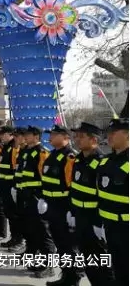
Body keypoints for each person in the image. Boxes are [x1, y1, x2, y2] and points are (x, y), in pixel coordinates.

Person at [68, 122, 116, 286]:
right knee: (88, 260)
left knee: (103, 264)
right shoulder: (78, 160)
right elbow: (75, 188)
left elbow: (105, 197)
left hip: (94, 221)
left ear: (94, 140)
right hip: (80, 218)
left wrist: (100, 222)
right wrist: (72, 212)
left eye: (81, 137)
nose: (76, 139)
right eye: (76, 136)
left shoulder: (102, 163)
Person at [39, 125, 83, 284]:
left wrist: (72, 210)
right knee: (60, 243)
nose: (50, 137)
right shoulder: (52, 155)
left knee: (69, 245)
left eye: (54, 134)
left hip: (64, 207)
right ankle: (66, 276)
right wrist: (43, 198)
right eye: (50, 134)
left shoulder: (69, 156)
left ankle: (74, 277)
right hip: (52, 206)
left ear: (65, 137)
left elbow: (73, 186)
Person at [17, 126, 56, 277]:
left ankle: (49, 266)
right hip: (26, 196)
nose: (25, 137)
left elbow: (44, 177)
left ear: (36, 136)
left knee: (43, 233)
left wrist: (42, 198)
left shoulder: (41, 153)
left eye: (28, 134)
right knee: (32, 231)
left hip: (37, 198)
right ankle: (36, 259)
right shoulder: (27, 151)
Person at [95, 118, 129, 286]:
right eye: (108, 133)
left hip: (126, 228)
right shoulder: (105, 161)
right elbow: (100, 194)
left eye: (114, 133)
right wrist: (99, 222)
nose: (109, 136)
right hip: (110, 226)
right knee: (118, 268)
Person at [0, 126, 23, 250]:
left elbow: (15, 169)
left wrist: (14, 186)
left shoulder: (14, 148)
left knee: (14, 214)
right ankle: (14, 238)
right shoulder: (5, 147)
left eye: (3, 134)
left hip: (11, 186)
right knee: (9, 213)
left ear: (10, 135)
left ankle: (19, 240)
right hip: (4, 186)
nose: (1, 136)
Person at [11, 127, 29, 253]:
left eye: (17, 136)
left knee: (27, 220)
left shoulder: (30, 151)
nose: (15, 138)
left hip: (28, 192)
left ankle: (23, 243)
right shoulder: (20, 151)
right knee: (19, 217)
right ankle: (19, 241)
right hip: (19, 189)